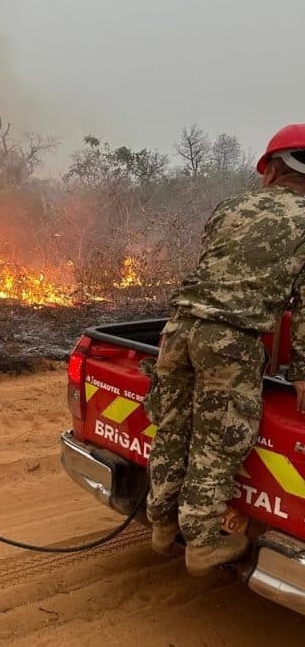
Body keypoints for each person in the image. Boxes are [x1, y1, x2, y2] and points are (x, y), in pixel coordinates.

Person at [146, 124, 305, 576]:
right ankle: (202, 543)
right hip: (231, 341)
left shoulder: (230, 206)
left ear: (272, 172)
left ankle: (160, 523)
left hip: (178, 330)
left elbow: (212, 268)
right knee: (217, 443)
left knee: (174, 428)